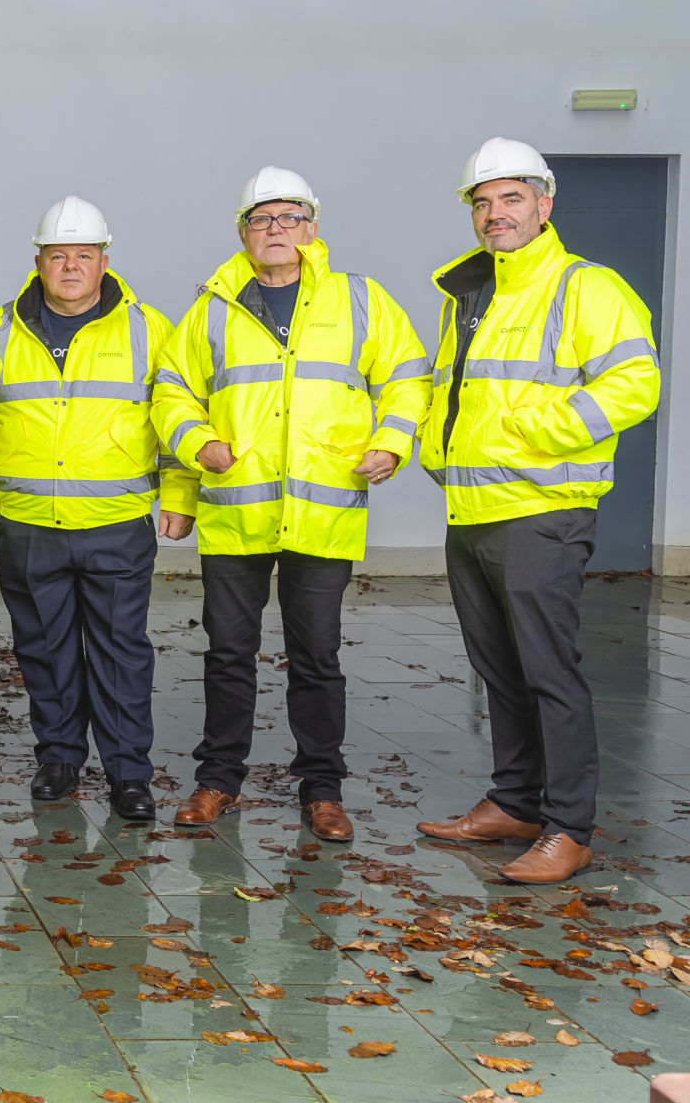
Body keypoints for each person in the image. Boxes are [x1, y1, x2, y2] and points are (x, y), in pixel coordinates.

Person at [152, 166, 429, 842]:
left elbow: (407, 374)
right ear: (243, 233)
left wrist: (392, 443)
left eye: (289, 217)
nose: (275, 231)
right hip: (237, 512)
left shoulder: (360, 300)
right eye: (261, 219)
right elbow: (171, 392)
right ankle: (218, 781)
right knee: (227, 653)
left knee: (317, 656)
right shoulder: (212, 307)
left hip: (322, 510)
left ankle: (323, 790)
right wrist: (199, 451)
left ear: (312, 227)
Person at [415, 138, 660, 883]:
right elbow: (454, 391)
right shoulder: (471, 293)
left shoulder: (585, 287)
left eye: (511, 198)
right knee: (500, 671)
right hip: (473, 508)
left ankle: (570, 828)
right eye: (482, 202)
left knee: (549, 671)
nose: (495, 214)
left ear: (545, 204)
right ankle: (516, 803)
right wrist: (438, 449)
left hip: (541, 511)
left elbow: (633, 385)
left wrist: (532, 434)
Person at [0, 196, 196, 820]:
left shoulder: (148, 329)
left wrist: (181, 495)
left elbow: (178, 412)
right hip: (27, 526)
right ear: (38, 261)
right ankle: (59, 758)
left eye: (84, 254)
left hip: (116, 526)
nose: (71, 266)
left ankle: (129, 773)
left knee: (121, 653)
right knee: (44, 650)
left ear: (105, 260)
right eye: (59, 255)